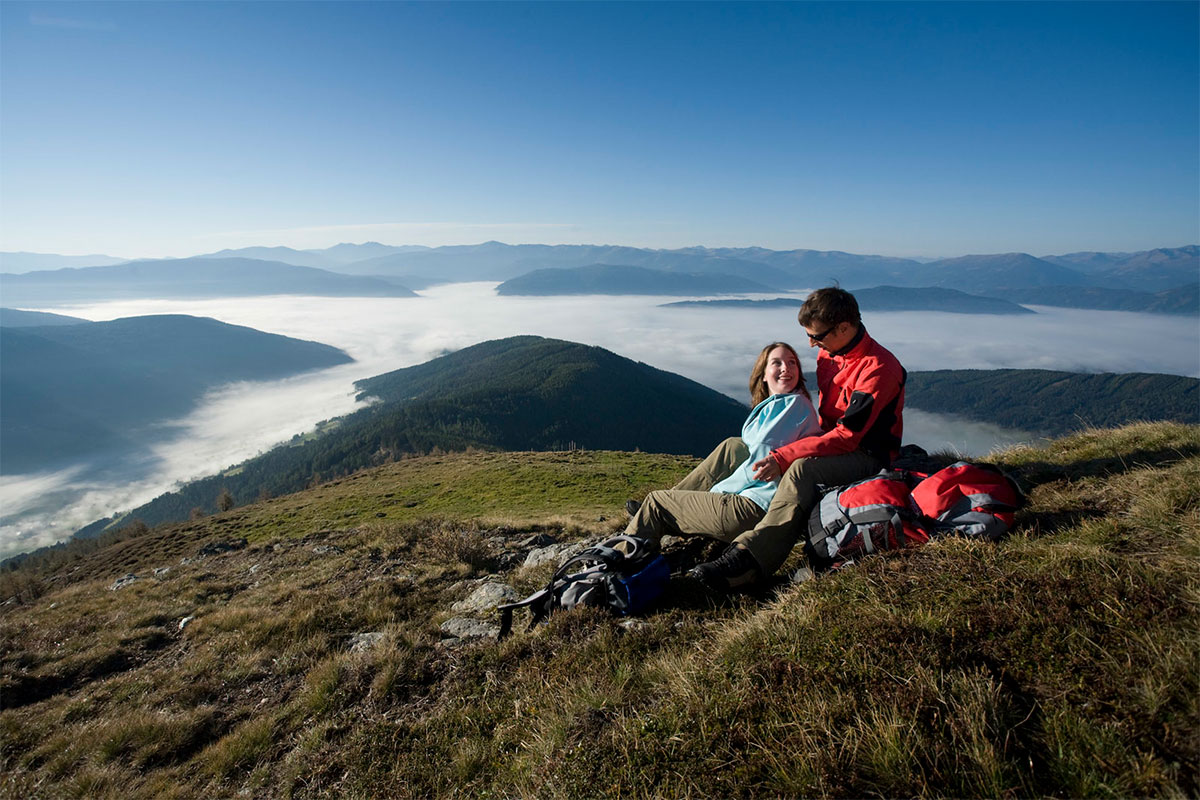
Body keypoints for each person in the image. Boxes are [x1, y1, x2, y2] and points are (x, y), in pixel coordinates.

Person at [687, 286, 907, 592]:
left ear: (844, 328)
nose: (811, 343)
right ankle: (686, 505)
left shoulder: (878, 370)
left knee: (802, 469)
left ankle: (751, 558)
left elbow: (846, 437)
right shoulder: (829, 353)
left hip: (867, 453)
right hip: (833, 441)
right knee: (737, 446)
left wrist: (784, 456)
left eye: (817, 336)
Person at [624, 342, 822, 547]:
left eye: (792, 363)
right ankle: (675, 500)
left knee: (656, 502)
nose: (786, 368)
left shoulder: (793, 406)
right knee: (733, 446)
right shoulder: (779, 406)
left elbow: (757, 466)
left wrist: (718, 492)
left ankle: (613, 558)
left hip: (751, 508)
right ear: (763, 374)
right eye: (777, 363)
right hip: (756, 504)